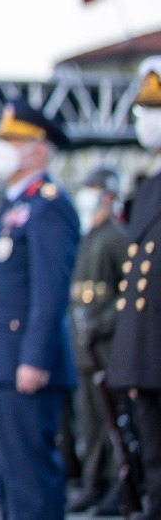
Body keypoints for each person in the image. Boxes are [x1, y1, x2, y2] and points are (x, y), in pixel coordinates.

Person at [0, 100, 79, 520]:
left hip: (21, 365)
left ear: (37, 150)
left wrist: (34, 358)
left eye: (12, 141)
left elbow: (50, 291)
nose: (1, 149)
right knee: (7, 477)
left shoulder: (49, 205)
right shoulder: (12, 205)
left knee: (30, 481)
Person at [108, 56, 161, 520]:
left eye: (155, 109)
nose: (145, 119)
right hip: (146, 354)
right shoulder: (150, 187)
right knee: (152, 454)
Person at [66, 165, 129, 515]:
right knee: (89, 423)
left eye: (92, 188)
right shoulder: (88, 236)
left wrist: (102, 322)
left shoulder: (116, 237)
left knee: (111, 423)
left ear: (107, 194)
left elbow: (129, 292)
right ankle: (93, 481)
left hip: (106, 347)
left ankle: (116, 485)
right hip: (83, 348)